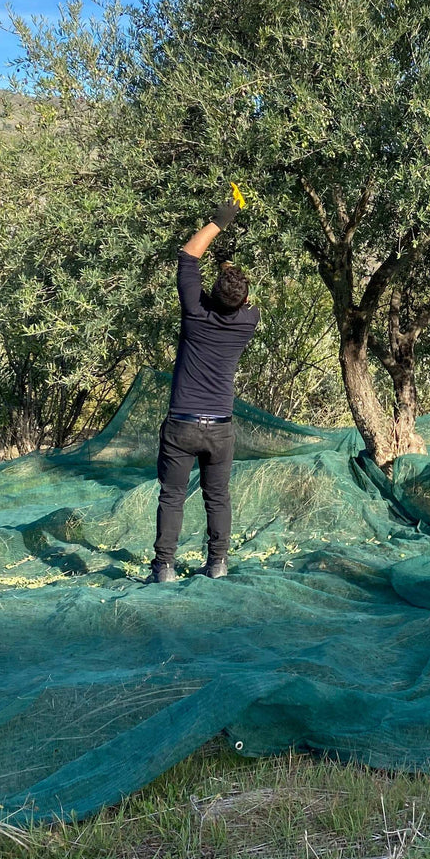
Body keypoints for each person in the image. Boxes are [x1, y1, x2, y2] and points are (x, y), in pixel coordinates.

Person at [150, 194, 259, 583]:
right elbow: (243, 294)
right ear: (244, 300)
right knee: (218, 496)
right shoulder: (249, 321)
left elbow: (187, 256)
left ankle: (164, 567)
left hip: (181, 425)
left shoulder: (195, 312)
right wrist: (230, 264)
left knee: (172, 496)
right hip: (220, 428)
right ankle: (217, 563)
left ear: (211, 293)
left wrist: (219, 222)